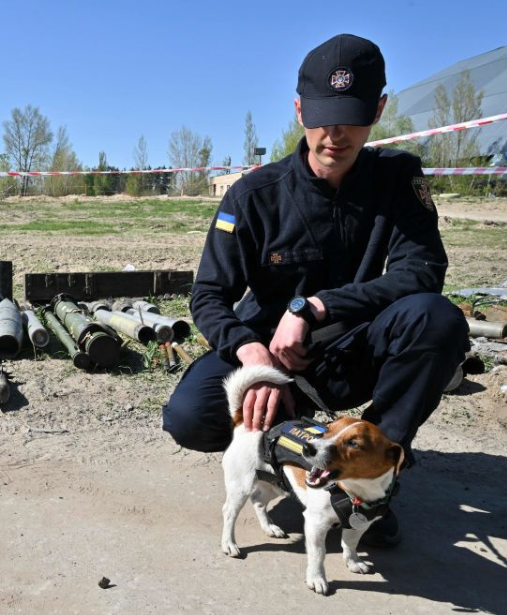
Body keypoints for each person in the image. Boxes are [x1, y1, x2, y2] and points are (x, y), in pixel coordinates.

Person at [162, 33, 469, 546]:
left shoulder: (399, 180)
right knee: (190, 416)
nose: (335, 133)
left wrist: (318, 306)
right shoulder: (254, 195)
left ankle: (366, 483)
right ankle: (285, 452)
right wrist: (250, 353)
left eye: (352, 115)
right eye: (322, 115)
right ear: (300, 108)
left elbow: (422, 271)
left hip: (355, 349)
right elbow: (208, 296)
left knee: (437, 318)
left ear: (379, 108)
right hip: (271, 357)